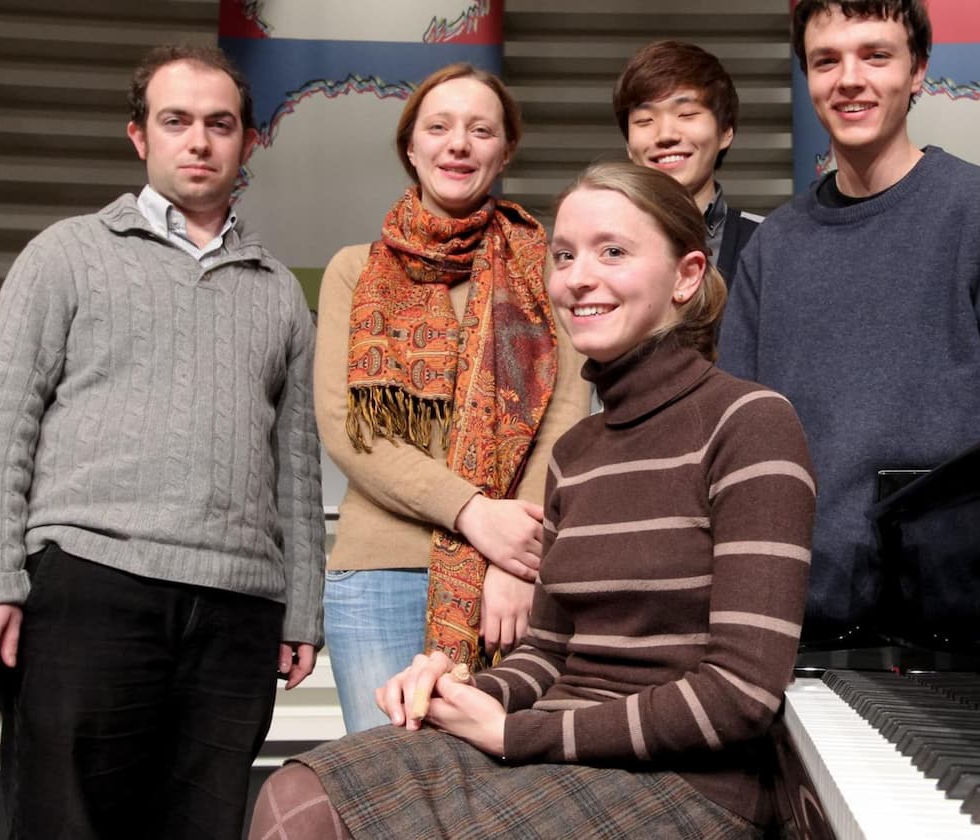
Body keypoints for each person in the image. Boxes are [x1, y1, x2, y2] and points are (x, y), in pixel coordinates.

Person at [247, 162, 815, 840]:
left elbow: (741, 694)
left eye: (613, 252)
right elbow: (546, 652)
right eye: (565, 254)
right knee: (297, 795)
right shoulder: (576, 454)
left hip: (693, 783)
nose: (577, 277)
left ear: (687, 276)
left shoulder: (750, 423)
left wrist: (520, 734)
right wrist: (463, 691)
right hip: (555, 745)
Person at [0, 45, 324, 839]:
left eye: (220, 124)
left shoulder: (279, 291)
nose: (199, 141)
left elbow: (297, 461)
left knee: (203, 824)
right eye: (175, 121)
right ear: (138, 136)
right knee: (67, 821)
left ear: (249, 141)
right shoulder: (66, 255)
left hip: (237, 607)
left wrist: (303, 610)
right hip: (87, 585)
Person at [717, 0, 980, 644]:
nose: (849, 79)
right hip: (797, 623)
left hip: (959, 618)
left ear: (919, 69)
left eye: (876, 55)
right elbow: (737, 442)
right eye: (826, 61)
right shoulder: (774, 247)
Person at [314, 63, 587, 734]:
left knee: (494, 797)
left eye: (479, 129)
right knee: (385, 795)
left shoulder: (549, 266)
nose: (457, 144)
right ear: (412, 147)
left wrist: (514, 559)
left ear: (505, 149)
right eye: (438, 127)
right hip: (382, 574)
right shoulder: (354, 270)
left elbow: (564, 421)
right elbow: (351, 430)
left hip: (511, 578)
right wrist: (473, 516)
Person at [614, 39, 763, 280]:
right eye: (644, 120)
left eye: (687, 114)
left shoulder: (769, 239)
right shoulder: (601, 243)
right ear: (629, 145)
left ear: (725, 131)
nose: (665, 135)